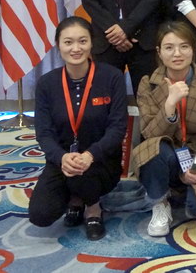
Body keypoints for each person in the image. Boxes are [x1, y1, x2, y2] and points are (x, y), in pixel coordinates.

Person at [30, 17, 127, 241]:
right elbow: (44, 133)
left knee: (81, 175)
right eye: (68, 42)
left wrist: (90, 155)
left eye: (82, 41)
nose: (76, 48)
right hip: (62, 161)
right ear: (58, 45)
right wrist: (61, 157)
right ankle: (75, 198)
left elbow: (117, 127)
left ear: (92, 43)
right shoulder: (46, 83)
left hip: (101, 161)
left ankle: (93, 208)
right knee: (40, 215)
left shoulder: (112, 77)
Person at [132, 21, 196, 236]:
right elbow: (149, 133)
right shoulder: (148, 83)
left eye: (184, 46)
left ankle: (182, 190)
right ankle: (160, 202)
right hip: (165, 152)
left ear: (193, 49)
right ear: (159, 52)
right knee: (154, 149)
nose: (177, 53)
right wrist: (169, 105)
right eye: (169, 47)